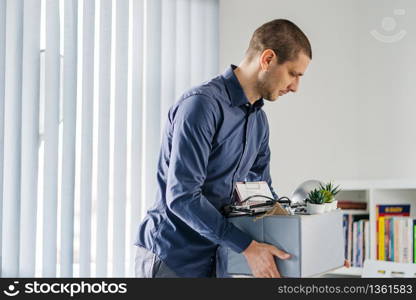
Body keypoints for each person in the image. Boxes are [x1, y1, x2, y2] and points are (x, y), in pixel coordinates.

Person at [134, 19, 312, 278]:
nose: (295, 87)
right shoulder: (201, 106)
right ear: (268, 58)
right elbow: (182, 196)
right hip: (172, 257)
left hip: (219, 259)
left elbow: (261, 196)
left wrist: (307, 249)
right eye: (293, 74)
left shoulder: (258, 121)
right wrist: (248, 247)